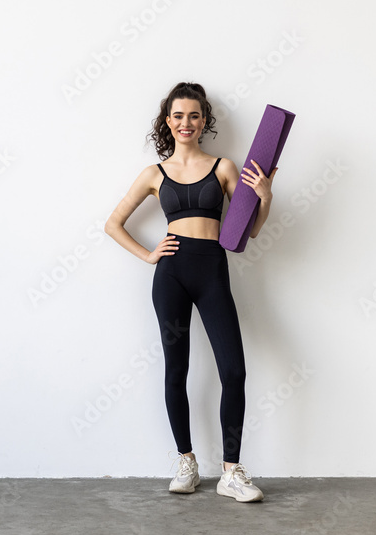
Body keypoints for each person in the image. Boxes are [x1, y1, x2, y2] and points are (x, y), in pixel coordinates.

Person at [105, 81, 277, 503]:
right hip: (171, 274)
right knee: (175, 371)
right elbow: (113, 224)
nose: (186, 122)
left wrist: (265, 198)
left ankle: (231, 473)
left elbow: (248, 230)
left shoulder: (223, 167)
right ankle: (186, 461)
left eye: (194, 115)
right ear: (168, 121)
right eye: (178, 116)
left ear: (204, 121)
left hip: (212, 271)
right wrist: (148, 255)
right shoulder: (153, 174)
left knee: (233, 371)